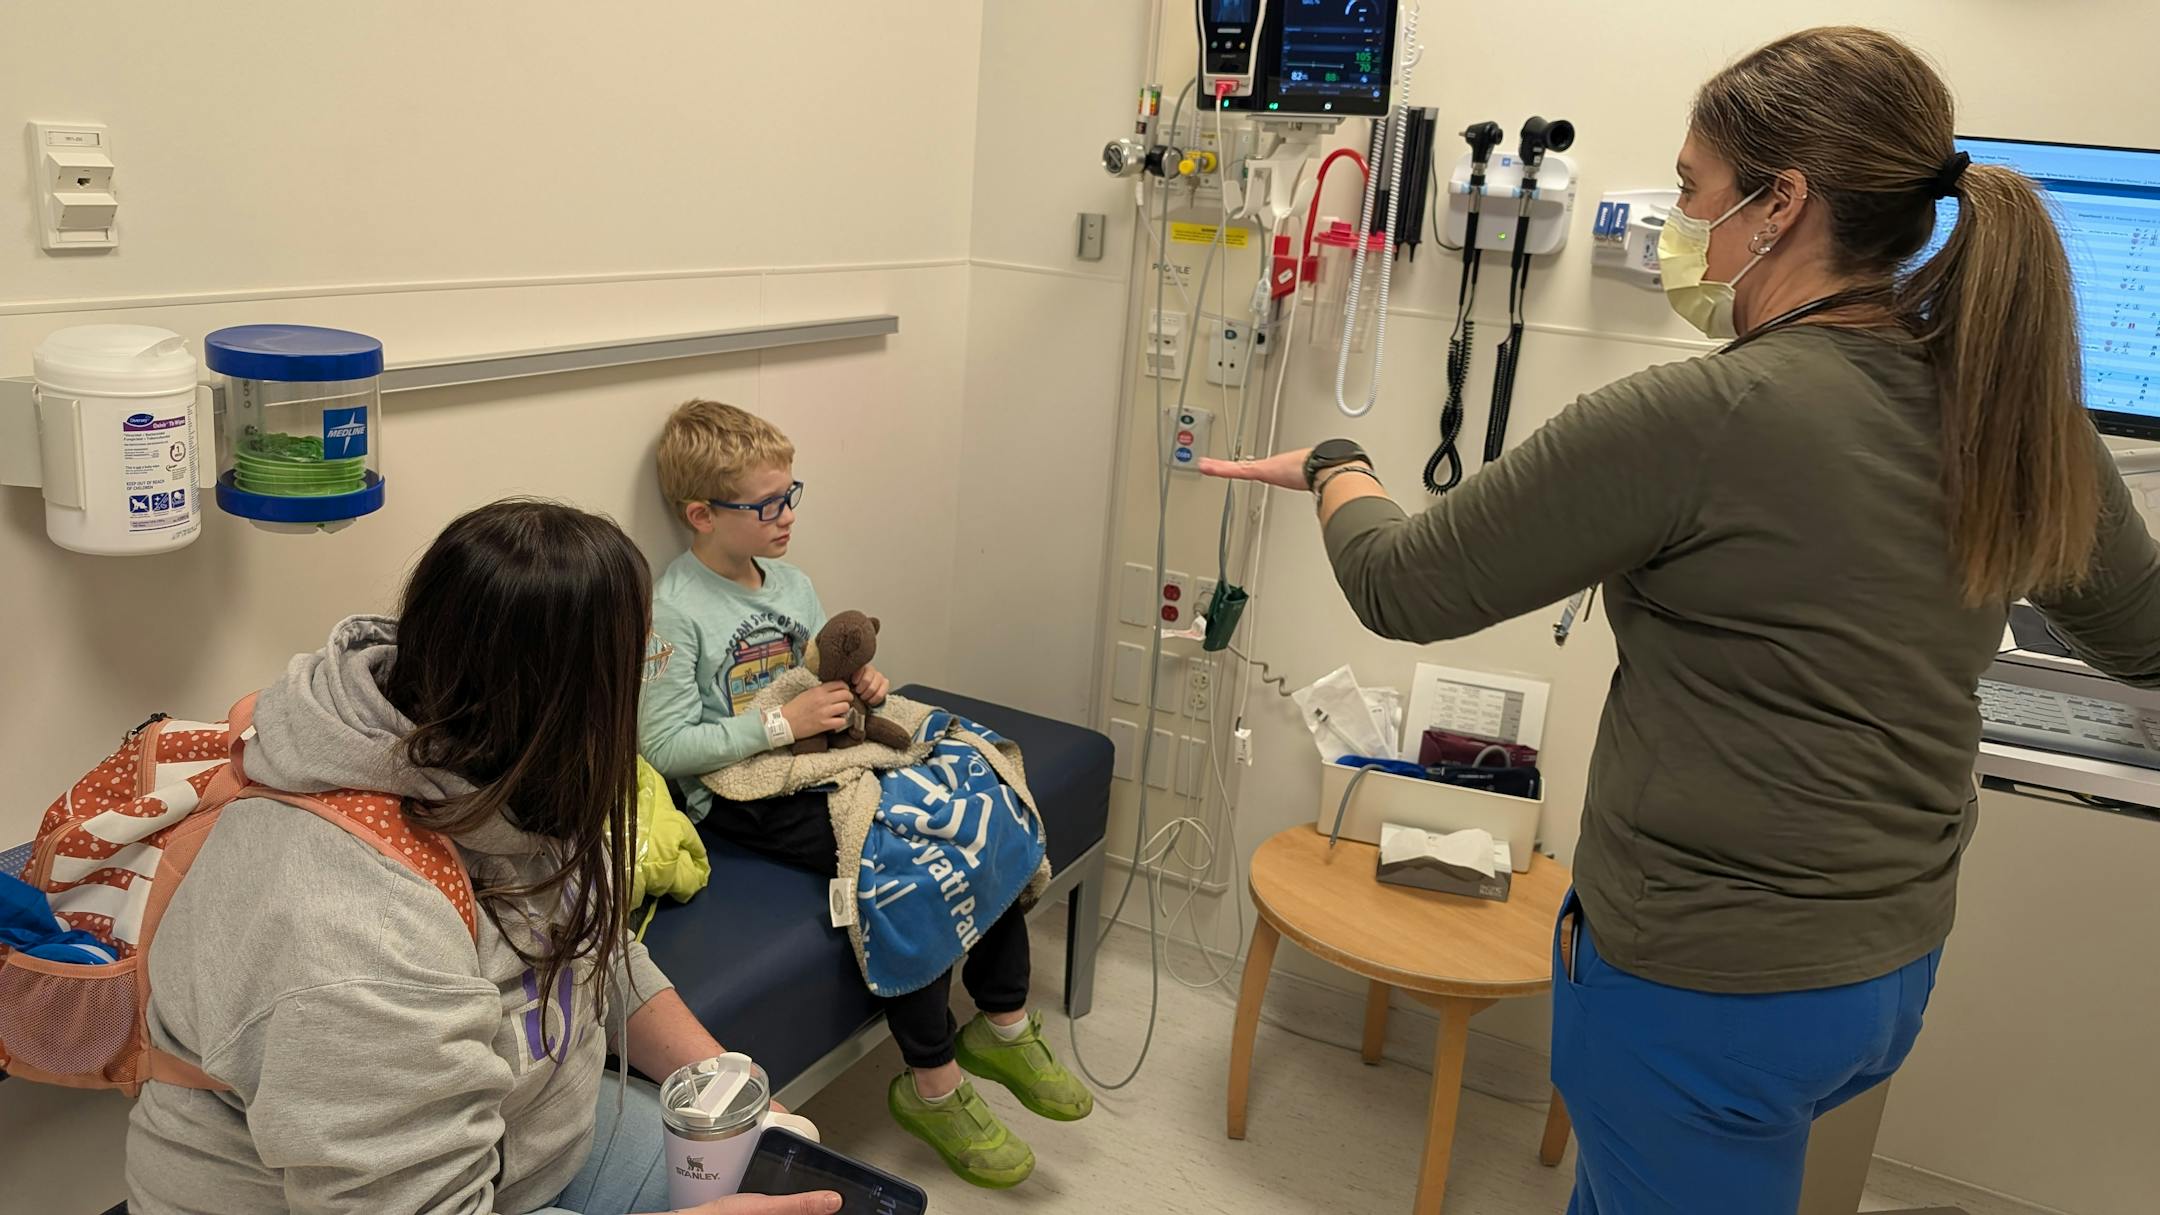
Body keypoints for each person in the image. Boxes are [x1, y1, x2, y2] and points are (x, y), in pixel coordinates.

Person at [1204, 26, 2160, 1215]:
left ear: (1780, 205)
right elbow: (2145, 638)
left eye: (1694, 188)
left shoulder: (1702, 416)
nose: (1680, 221)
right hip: (1887, 972)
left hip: (1707, 988)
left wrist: (1337, 465)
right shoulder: (2018, 415)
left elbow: (1402, 585)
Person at [125, 499, 839, 1215]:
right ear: (569, 700)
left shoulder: (502, 761)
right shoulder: (355, 933)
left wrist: (729, 1084)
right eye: (638, 660)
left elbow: (589, 946)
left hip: (527, 1141)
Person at [637, 401, 1092, 1190]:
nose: (787, 515)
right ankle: (932, 1083)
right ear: (702, 514)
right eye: (767, 504)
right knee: (899, 851)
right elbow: (665, 746)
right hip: (744, 797)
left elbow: (825, 670)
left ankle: (1005, 1018)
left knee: (971, 800)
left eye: (790, 494)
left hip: (818, 756)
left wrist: (860, 684)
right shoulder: (673, 611)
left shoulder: (791, 582)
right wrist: (781, 723)